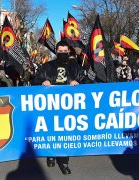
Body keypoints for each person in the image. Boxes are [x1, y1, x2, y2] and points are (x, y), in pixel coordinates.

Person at [34, 40, 86, 175]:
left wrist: (78, 82)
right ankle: (50, 154)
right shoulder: (46, 66)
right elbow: (35, 79)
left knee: (65, 134)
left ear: (68, 52)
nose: (63, 53)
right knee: (51, 132)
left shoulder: (75, 67)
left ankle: (64, 162)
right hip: (50, 106)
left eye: (65, 51)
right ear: (56, 52)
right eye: (60, 51)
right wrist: (42, 82)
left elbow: (86, 80)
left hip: (68, 107)